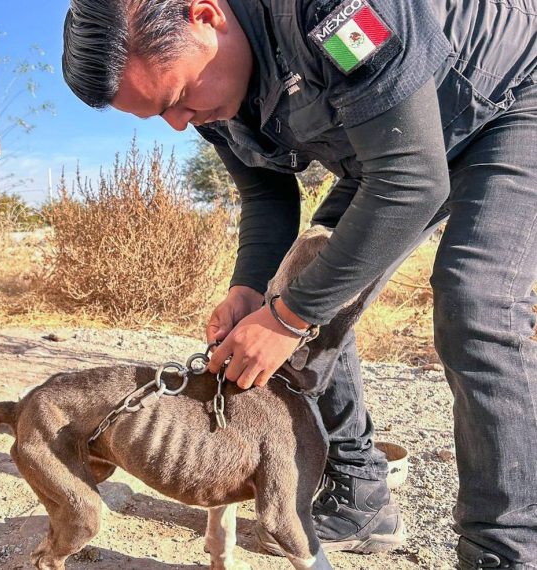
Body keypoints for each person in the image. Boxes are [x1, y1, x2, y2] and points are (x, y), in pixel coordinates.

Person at [61, 0, 537, 567]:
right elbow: (265, 192)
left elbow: (411, 178)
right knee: (304, 281)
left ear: (204, 17)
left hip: (508, 103)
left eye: (178, 99)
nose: (181, 123)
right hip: (395, 148)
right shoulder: (214, 99)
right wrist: (251, 291)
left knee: (475, 302)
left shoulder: (332, 14)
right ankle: (361, 492)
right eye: (162, 115)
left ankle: (505, 548)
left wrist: (288, 318)